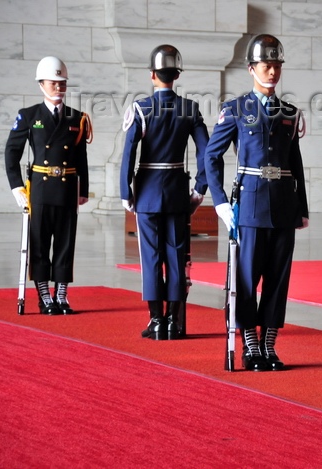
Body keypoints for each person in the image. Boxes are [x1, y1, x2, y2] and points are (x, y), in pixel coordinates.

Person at [205, 34, 309, 372]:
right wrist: (219, 202)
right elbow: (211, 155)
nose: (273, 71)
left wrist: (302, 208)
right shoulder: (235, 110)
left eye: (277, 65)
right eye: (266, 65)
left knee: (278, 280)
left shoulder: (290, 113)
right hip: (248, 205)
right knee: (247, 279)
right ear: (251, 69)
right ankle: (250, 344)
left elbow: (295, 162)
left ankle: (269, 344)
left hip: (283, 204)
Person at [120, 44, 209, 341]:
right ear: (176, 75)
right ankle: (173, 321)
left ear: (153, 75)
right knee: (175, 257)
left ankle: (156, 320)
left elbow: (129, 154)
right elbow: (206, 153)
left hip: (147, 191)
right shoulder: (190, 109)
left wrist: (126, 191)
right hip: (176, 192)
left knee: (150, 256)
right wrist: (199, 189)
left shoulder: (141, 108)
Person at [5, 56, 91, 315]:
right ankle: (44, 295)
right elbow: (11, 152)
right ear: (41, 84)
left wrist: (83, 189)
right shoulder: (29, 116)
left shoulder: (77, 118)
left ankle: (61, 294)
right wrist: (16, 186)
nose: (58, 87)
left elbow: (80, 158)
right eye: (53, 82)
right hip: (40, 189)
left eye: (62, 82)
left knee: (65, 242)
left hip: (66, 188)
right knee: (40, 242)